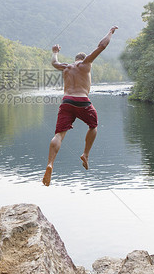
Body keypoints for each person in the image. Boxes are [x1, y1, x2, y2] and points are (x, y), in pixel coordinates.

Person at [42, 26, 118, 186]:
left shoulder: (66, 67)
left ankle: (50, 164)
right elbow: (102, 46)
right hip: (82, 101)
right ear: (83, 58)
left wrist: (55, 51)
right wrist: (110, 32)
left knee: (58, 135)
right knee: (93, 125)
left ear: (74, 58)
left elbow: (54, 62)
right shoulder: (86, 63)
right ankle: (85, 154)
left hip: (67, 101)